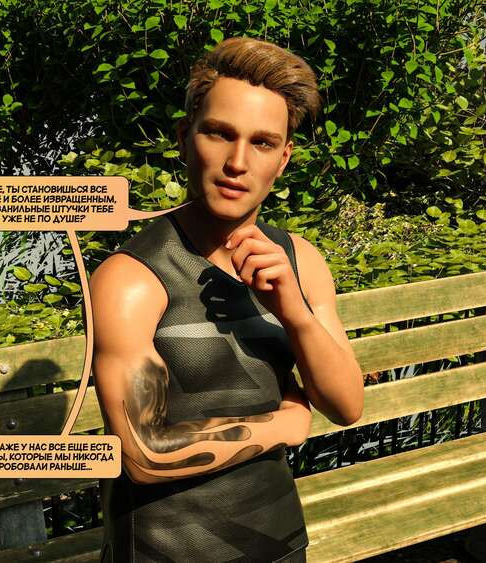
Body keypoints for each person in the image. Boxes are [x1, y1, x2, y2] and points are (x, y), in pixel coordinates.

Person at [90, 37, 364, 562]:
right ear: (184, 138)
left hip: (280, 542)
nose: (238, 162)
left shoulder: (299, 260)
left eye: (262, 143)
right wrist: (283, 424)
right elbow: (142, 454)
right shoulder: (131, 279)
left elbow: (346, 405)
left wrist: (295, 313)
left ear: (283, 160)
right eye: (219, 133)